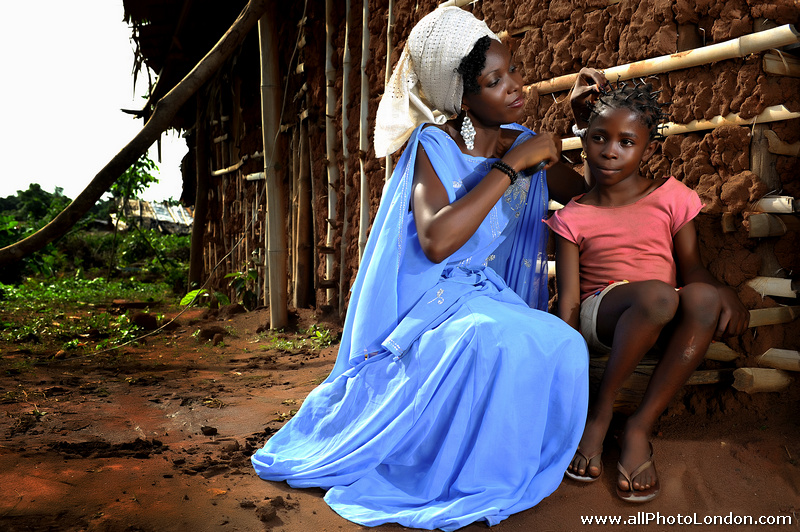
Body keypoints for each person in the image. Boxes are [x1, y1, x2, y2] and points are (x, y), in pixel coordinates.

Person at [251, 6, 602, 531]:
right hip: (427, 307)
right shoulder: (433, 145)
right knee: (489, 339)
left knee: (562, 344)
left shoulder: (519, 139)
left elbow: (588, 192)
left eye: (512, 73)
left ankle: (501, 469)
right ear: (460, 98)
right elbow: (437, 240)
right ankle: (448, 474)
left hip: (480, 294)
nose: (514, 87)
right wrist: (511, 169)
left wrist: (582, 124)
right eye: (494, 81)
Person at [546, 80, 750, 502]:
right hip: (602, 315)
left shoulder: (671, 196)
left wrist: (721, 289)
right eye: (599, 137)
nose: (610, 150)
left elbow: (692, 267)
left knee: (698, 297)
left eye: (626, 141)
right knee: (659, 295)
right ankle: (599, 415)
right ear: (584, 139)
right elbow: (568, 302)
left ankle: (640, 425)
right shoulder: (573, 216)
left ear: (648, 149)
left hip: (664, 311)